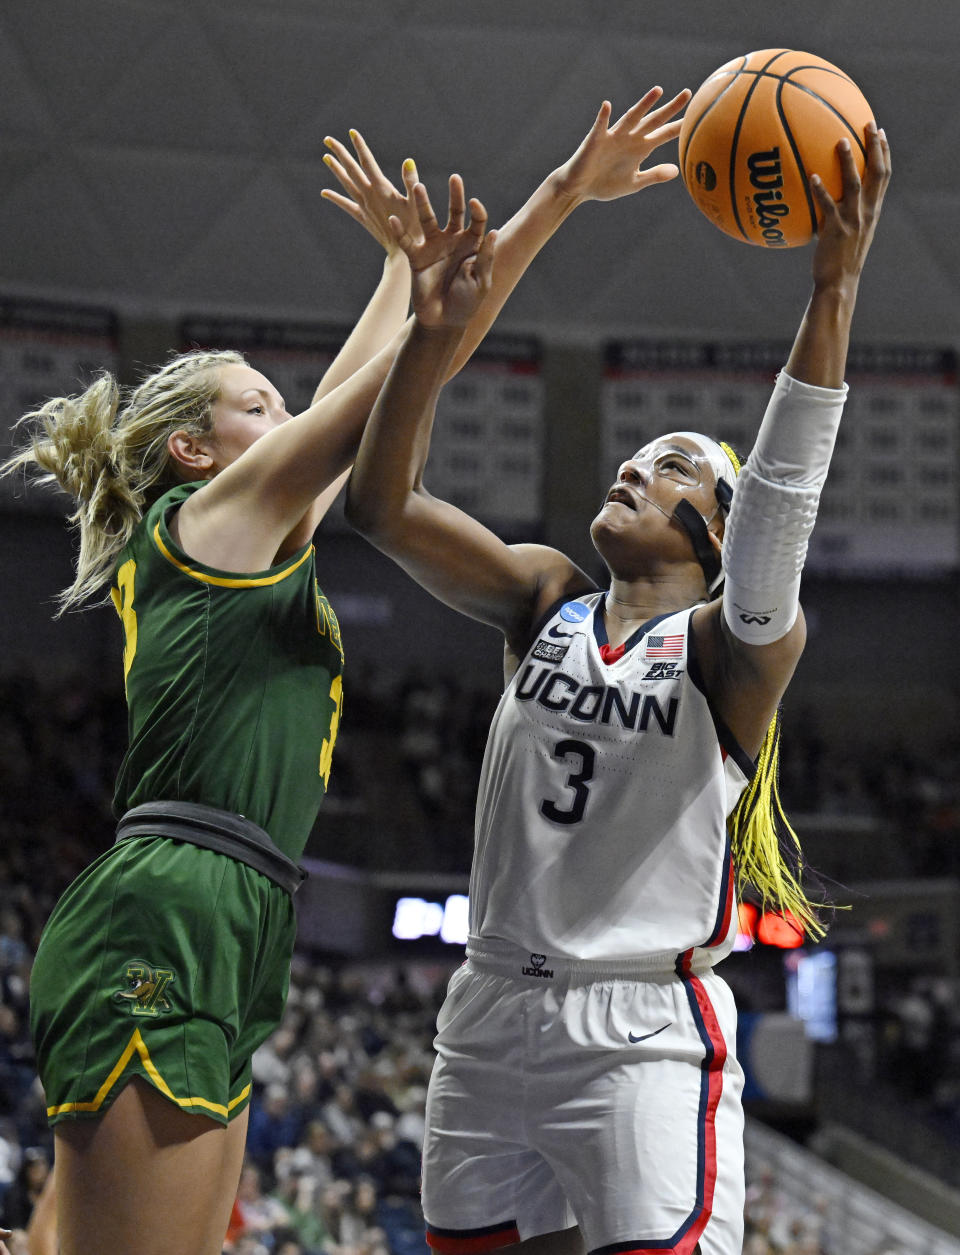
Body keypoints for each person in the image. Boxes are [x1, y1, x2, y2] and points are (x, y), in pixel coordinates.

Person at [2, 89, 691, 1255]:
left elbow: (379, 380)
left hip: (229, 904)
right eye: (256, 404)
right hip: (172, 902)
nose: (287, 416)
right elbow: (402, 375)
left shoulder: (247, 522)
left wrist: (416, 265)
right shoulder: (212, 514)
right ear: (194, 448)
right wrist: (529, 221)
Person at [343, 98, 891, 1255]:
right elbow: (379, 506)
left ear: (720, 530)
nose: (636, 466)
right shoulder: (542, 594)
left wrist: (831, 292)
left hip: (642, 1024)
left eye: (675, 464)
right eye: (635, 455)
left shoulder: (733, 649)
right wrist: (429, 344)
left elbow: (785, 503)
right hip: (487, 1008)